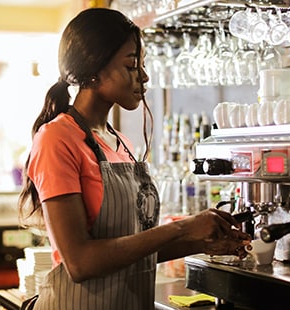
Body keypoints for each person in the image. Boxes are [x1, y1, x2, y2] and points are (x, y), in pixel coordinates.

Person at [17, 7, 251, 310]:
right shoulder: (57, 138)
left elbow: (133, 248)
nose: (144, 75)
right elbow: (81, 263)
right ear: (93, 69)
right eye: (132, 65)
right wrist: (181, 227)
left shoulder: (122, 143)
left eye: (142, 64)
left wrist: (204, 241)